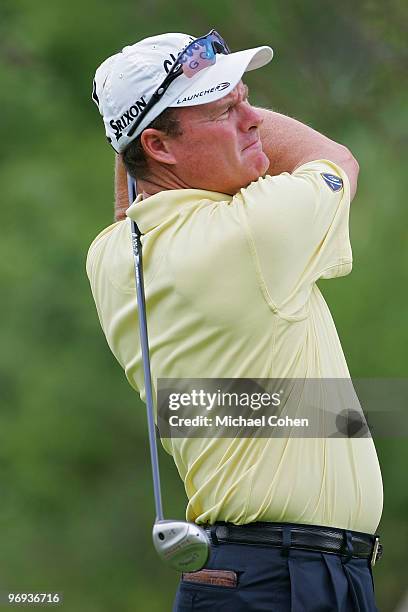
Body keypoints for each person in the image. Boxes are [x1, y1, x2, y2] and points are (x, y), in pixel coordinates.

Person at [87, 30, 383, 611]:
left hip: (253, 572)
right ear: (161, 146)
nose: (253, 119)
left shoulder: (109, 253)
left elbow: (134, 195)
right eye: (227, 108)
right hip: (286, 575)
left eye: (247, 99)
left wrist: (155, 122)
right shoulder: (251, 232)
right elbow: (337, 161)